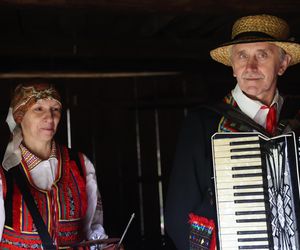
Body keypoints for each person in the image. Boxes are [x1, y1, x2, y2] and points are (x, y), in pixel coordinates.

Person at [165, 14, 300, 249]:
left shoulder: (295, 120)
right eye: (242, 56)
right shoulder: (203, 124)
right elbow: (179, 216)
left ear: (283, 63)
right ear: (233, 67)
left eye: (262, 55)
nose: (251, 67)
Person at [0, 83, 120, 249]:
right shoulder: (3, 172)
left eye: (55, 109)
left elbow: (93, 232)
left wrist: (104, 247)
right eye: (39, 109)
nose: (50, 117)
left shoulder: (80, 164)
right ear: (19, 116)